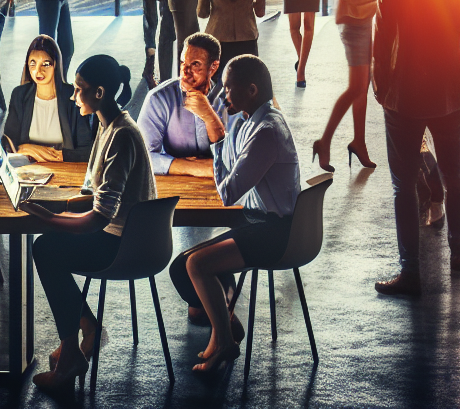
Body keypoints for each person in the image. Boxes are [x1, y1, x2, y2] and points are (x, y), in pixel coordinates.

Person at [22, 55, 153, 394]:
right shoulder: (108, 123)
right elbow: (94, 195)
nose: (72, 95)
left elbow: (99, 218)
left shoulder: (121, 136)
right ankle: (86, 329)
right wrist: (53, 205)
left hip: (125, 245)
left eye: (78, 90)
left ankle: (71, 357)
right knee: (50, 240)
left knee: (45, 247)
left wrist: (50, 218)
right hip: (122, 234)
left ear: (99, 92)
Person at [371, 0, 460, 296]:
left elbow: (382, 44)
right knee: (455, 174)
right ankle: (459, 249)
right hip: (450, 93)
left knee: (403, 185)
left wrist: (382, 88)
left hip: (404, 96)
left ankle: (411, 271)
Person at [168, 55, 301, 375]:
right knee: (180, 268)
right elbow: (230, 169)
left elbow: (227, 191)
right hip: (260, 222)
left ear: (251, 90)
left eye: (228, 89)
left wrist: (212, 133)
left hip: (276, 233)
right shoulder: (256, 119)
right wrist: (217, 132)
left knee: (196, 264)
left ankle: (224, 339)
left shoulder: (266, 130)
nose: (223, 94)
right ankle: (223, 327)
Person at [313, 0, 378, 169]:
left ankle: (359, 141)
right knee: (356, 87)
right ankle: (325, 140)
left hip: (362, 23)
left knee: (361, 88)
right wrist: (382, 4)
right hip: (356, 25)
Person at [137, 32, 229, 177]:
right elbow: (141, 158)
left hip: (220, 188)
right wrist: (194, 167)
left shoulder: (227, 99)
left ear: (213, 67)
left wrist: (209, 116)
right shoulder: (159, 98)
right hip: (173, 185)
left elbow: (237, 158)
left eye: (195, 65)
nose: (185, 72)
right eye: (183, 63)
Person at [3, 36, 95, 162]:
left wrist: (32, 149)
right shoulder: (19, 95)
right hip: (29, 171)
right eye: (33, 64)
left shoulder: (74, 97)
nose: (38, 71)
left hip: (66, 170)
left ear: (55, 65)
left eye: (45, 64)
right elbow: (9, 143)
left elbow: (86, 151)